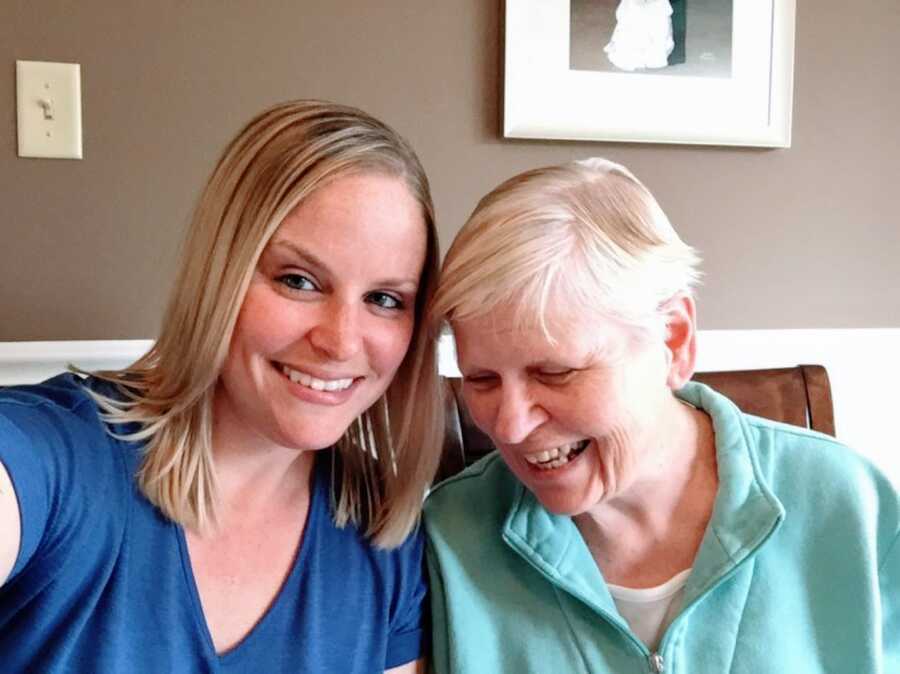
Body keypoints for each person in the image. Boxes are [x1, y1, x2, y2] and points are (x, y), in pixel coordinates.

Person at [0, 100, 444, 673]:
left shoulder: (382, 536)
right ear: (221, 275)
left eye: (385, 299)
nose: (341, 341)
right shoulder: (60, 456)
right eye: (299, 281)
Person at [423, 158, 899, 672]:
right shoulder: (452, 537)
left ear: (673, 339)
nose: (509, 426)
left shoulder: (849, 504)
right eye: (482, 379)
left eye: (556, 372)